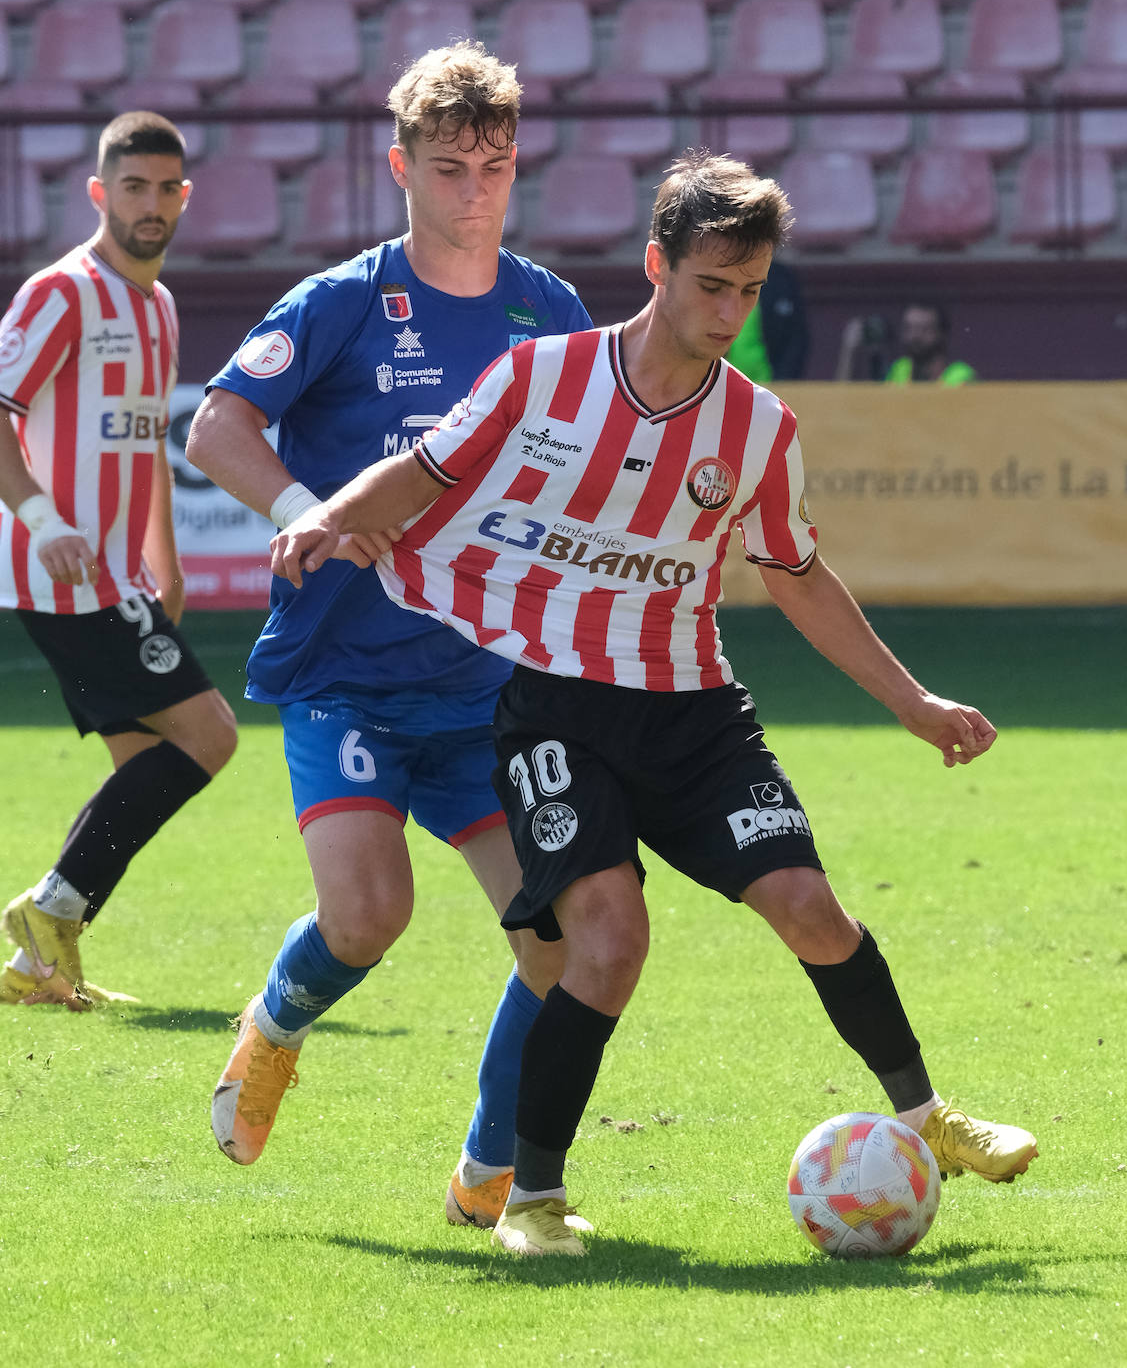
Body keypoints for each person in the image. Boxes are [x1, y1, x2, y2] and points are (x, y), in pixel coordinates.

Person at [271, 149, 1039, 1257]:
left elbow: (795, 574)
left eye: (748, 289)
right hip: (553, 714)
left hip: (692, 714)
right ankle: (530, 1200)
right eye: (709, 284)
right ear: (656, 266)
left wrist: (912, 702)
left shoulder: (758, 427)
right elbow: (428, 474)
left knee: (811, 911)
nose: (728, 310)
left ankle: (925, 1122)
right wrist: (324, 516)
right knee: (607, 939)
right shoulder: (543, 378)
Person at [185, 42, 592, 1228]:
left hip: (487, 693)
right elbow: (216, 426)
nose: (476, 187)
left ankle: (488, 1174)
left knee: (559, 942)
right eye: (451, 165)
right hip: (346, 677)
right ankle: (271, 1028)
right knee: (368, 918)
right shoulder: (345, 302)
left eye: (496, 164)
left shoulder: (548, 311)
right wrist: (303, 508)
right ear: (398, 165)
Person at [0, 112, 238, 1010]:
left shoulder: (159, 304)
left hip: (117, 573)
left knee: (142, 760)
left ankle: (36, 970)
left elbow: (145, 450)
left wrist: (164, 564)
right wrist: (38, 515)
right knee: (211, 737)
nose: (149, 203)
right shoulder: (61, 293)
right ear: (100, 193)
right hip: (59, 571)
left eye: (164, 187)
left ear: (184, 196)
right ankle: (47, 910)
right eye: (130, 187)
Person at [836, 301, 977, 384]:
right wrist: (849, 351)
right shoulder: (900, 371)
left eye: (924, 329)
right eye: (909, 328)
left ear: (942, 334)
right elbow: (846, 403)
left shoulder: (960, 376)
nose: (915, 336)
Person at [726, 256, 809, 380]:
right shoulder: (709, 272)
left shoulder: (781, 277)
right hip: (713, 386)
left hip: (767, 385)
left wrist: (782, 382)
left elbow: (795, 338)